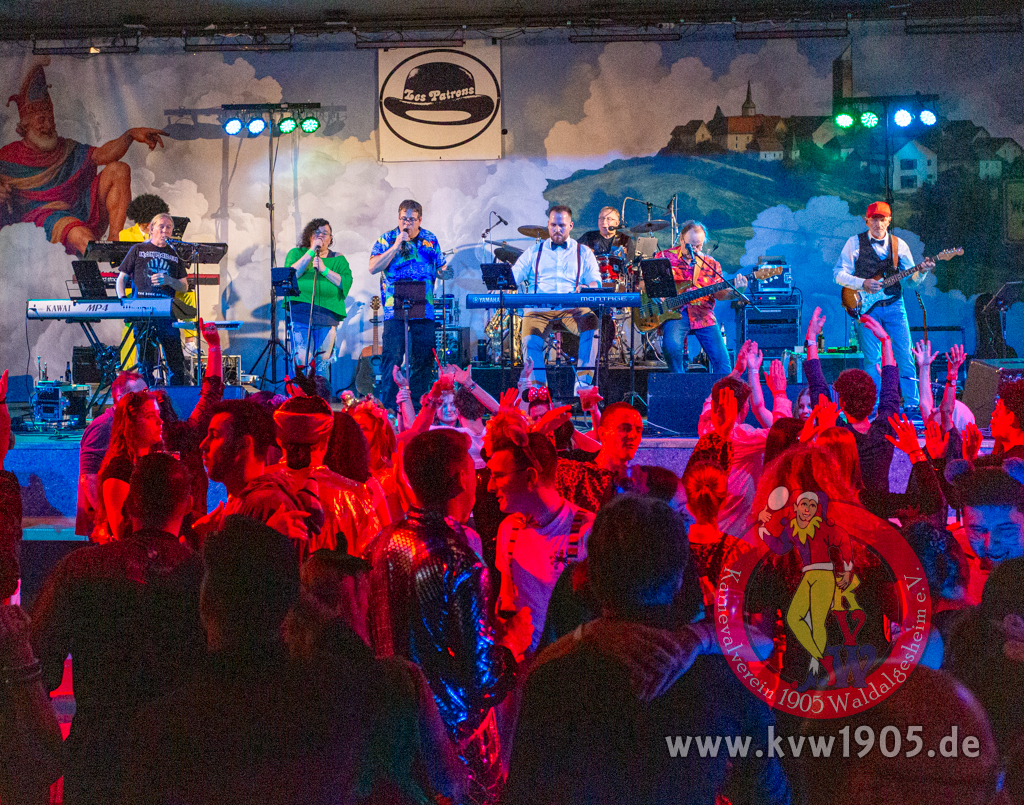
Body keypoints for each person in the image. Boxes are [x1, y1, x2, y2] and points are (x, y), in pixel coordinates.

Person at [505, 495, 792, 805]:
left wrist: (586, 634)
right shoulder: (722, 677)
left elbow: (524, 794)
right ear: (679, 579)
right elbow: (769, 794)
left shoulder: (552, 679)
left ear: (595, 579)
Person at [121, 516, 373, 805]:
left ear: (205, 602)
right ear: (290, 603)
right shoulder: (330, 696)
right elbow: (372, 676)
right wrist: (312, 608)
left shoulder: (163, 730)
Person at [366, 428, 533, 803]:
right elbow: (484, 679)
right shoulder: (459, 561)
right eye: (474, 471)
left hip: (392, 730)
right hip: (453, 745)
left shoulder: (382, 542)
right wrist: (513, 643)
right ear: (460, 479)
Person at [31, 454, 205, 805]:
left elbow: (38, 666)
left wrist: (46, 756)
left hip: (97, 756)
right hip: (181, 759)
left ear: (129, 505)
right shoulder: (205, 576)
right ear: (188, 505)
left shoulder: (79, 569)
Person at [0, 61, 166, 256]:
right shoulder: (8, 156)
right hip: (41, 217)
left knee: (119, 169)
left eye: (50, 118)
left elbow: (103, 155)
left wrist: (130, 135)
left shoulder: (66, 148)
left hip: (77, 208)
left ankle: (115, 243)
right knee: (80, 235)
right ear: (26, 126)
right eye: (41, 120)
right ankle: (100, 264)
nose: (48, 125)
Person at [486, 415, 595, 654]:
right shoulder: (509, 529)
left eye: (498, 476)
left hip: (570, 661)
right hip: (524, 662)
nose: (490, 487)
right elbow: (505, 600)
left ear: (530, 477)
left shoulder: (588, 532)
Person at [833, 201, 935, 410]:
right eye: (874, 220)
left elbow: (910, 282)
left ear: (889, 221)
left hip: (894, 305)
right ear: (866, 221)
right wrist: (862, 283)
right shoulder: (854, 243)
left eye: (882, 219)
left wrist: (922, 272)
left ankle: (912, 406)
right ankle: (875, 406)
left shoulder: (899, 245)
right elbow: (838, 274)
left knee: (905, 355)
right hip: (866, 308)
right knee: (872, 359)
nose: (878, 224)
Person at [804, 306, 900, 494]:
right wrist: (886, 341)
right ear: (873, 400)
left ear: (842, 403)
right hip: (879, 512)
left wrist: (811, 338)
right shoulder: (884, 433)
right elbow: (890, 392)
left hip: (843, 510)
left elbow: (817, 385)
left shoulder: (835, 433)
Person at [271, 395, 380, 558]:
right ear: (326, 440)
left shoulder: (254, 488)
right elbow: (372, 557)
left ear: (279, 439)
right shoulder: (356, 494)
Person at [511, 205, 603, 392]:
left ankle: (582, 384)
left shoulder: (583, 252)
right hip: (538, 308)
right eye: (553, 225)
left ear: (571, 226)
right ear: (548, 225)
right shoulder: (533, 252)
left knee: (592, 323)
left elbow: (596, 281)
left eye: (562, 225)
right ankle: (538, 391)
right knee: (530, 341)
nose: (557, 229)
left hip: (571, 307)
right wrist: (501, 282)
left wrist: (587, 287)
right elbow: (513, 276)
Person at [369, 200, 448, 409]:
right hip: (394, 308)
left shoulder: (430, 239)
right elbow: (373, 267)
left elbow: (441, 267)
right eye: (404, 219)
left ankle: (417, 405)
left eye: (412, 220)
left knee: (424, 357)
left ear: (420, 220)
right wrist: (396, 246)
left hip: (424, 307)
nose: (407, 223)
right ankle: (390, 408)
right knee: (392, 357)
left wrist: (445, 272)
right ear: (398, 218)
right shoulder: (387, 239)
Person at [198, 399, 307, 536]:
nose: (203, 445)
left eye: (214, 435)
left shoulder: (263, 504)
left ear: (243, 445)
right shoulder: (241, 499)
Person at [653, 220, 747, 374]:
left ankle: (723, 389)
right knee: (671, 348)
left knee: (723, 362)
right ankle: (679, 383)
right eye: (691, 245)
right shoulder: (664, 257)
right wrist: (658, 295)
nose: (694, 250)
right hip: (674, 313)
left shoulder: (711, 264)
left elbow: (720, 295)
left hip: (703, 314)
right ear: (681, 239)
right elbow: (647, 283)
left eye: (699, 246)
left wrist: (738, 291)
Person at [115, 212, 189, 386]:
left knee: (176, 362)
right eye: (161, 226)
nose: (165, 230)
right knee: (146, 363)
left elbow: (184, 286)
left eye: (168, 227)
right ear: (152, 228)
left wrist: (169, 280)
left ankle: (175, 398)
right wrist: (123, 301)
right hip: (142, 312)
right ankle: (146, 396)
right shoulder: (138, 249)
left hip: (166, 312)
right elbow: (121, 279)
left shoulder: (175, 254)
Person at [75, 371, 148, 536]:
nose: (147, 398)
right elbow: (89, 479)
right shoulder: (103, 426)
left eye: (147, 392)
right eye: (140, 394)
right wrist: (107, 522)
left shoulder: (124, 423)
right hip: (104, 529)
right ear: (121, 397)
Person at [285, 218, 354, 377]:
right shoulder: (296, 254)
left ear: (330, 239)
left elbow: (345, 282)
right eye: (317, 233)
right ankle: (299, 392)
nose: (321, 236)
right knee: (301, 360)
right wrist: (311, 251)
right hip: (301, 314)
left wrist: (324, 269)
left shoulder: (338, 259)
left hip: (327, 317)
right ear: (310, 236)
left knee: (322, 362)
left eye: (325, 233)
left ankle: (321, 393)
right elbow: (291, 275)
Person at [93, 390, 164, 541]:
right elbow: (122, 534)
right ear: (130, 424)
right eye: (150, 416)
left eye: (158, 414)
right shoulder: (119, 470)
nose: (160, 421)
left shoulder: (153, 462)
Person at [556, 402, 644, 512]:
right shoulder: (577, 475)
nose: (633, 435)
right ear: (602, 433)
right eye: (624, 428)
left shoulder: (639, 485)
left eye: (638, 430)